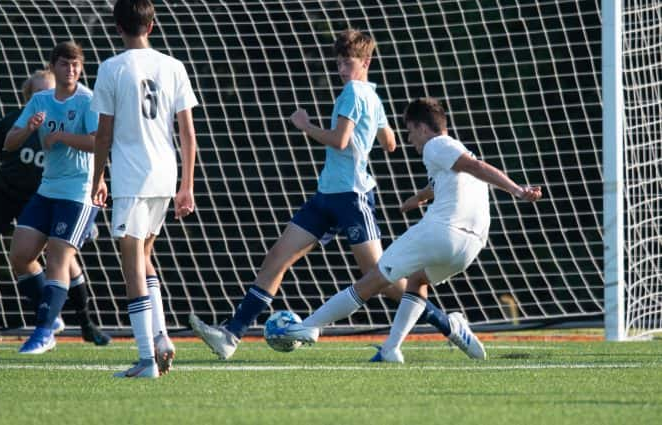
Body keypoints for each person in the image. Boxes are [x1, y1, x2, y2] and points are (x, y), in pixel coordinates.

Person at [189, 29, 482, 363]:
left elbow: (341, 141)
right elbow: (390, 143)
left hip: (352, 198)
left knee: (382, 281)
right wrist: (368, 132)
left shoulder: (353, 93)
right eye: (339, 63)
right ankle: (232, 333)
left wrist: (305, 124)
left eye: (348, 62)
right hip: (327, 195)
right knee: (277, 258)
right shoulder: (371, 94)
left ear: (366, 61)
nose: (342, 69)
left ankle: (449, 325)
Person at [281, 97, 543, 361]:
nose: (409, 139)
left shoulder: (436, 145)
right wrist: (419, 198)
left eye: (409, 131)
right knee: (417, 281)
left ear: (422, 128)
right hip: (471, 247)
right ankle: (392, 349)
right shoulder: (455, 151)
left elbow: (476, 167)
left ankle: (308, 326)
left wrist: (517, 191)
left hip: (443, 231)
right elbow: (451, 177)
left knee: (372, 281)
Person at [0, 70, 110, 347]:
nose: (53, 96)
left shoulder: (73, 120)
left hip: (48, 196)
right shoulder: (15, 123)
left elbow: (92, 156)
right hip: (6, 194)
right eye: (44, 92)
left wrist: (86, 214)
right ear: (31, 99)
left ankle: (85, 323)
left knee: (63, 256)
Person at [90, 0, 198, 378]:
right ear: (151, 27)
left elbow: (103, 132)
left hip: (133, 177)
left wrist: (97, 177)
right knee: (145, 255)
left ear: (117, 28)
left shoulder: (110, 68)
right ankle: (162, 338)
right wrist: (187, 185)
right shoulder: (174, 66)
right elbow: (187, 132)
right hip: (165, 175)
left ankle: (145, 359)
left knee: (131, 262)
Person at [4, 41, 101, 354]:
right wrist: (28, 128)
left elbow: (99, 142)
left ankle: (44, 331)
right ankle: (52, 313)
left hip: (78, 193)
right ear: (53, 67)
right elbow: (9, 143)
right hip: (47, 190)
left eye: (75, 64)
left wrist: (61, 137)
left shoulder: (88, 100)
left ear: (81, 67)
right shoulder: (41, 100)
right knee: (20, 255)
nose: (70, 70)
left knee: (59, 258)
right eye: (64, 64)